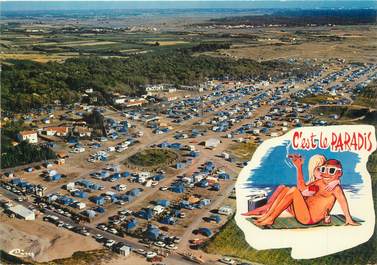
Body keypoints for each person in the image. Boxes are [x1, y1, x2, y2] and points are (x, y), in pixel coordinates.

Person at [254, 155, 359, 226]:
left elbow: (343, 201)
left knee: (293, 190)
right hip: (303, 212)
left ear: (339, 173)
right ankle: (268, 216)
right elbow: (303, 189)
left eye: (331, 171)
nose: (325, 174)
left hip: (309, 218)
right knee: (286, 189)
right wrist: (299, 167)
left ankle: (270, 218)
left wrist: (348, 219)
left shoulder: (335, 188)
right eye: (323, 170)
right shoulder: (319, 182)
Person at [242, 154, 339, 217]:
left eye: (324, 169)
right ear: (312, 169)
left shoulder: (320, 184)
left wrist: (336, 181)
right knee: (281, 187)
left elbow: (303, 191)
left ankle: (262, 210)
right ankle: (265, 209)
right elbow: (304, 191)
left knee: (286, 193)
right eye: (319, 169)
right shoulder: (314, 182)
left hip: (303, 211)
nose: (322, 172)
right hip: (300, 205)